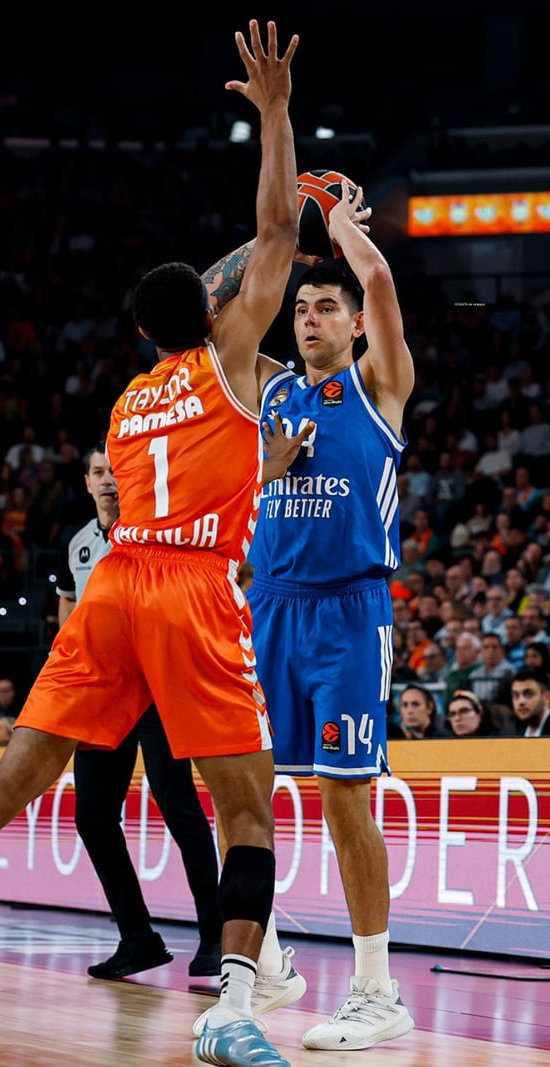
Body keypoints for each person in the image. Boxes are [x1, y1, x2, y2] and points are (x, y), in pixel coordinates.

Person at [0, 22, 309, 1067]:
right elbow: (274, 229)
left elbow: (201, 331)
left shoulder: (130, 401)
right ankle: (231, 1008)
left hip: (115, 580)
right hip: (190, 585)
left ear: (145, 332)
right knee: (246, 811)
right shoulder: (229, 359)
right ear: (212, 313)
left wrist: (252, 440)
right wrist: (276, 115)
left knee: (11, 780)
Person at [238, 150, 417, 1047]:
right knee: (240, 784)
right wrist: (273, 236)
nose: (309, 318)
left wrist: (336, 220)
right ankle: (269, 965)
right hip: (270, 605)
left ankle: (378, 989)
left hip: (348, 611)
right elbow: (208, 312)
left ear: (352, 325)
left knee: (346, 799)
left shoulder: (381, 387)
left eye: (323, 308)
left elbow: (378, 278)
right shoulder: (270, 391)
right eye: (301, 307)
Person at [57, 444, 223, 980]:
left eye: (113, 470)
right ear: (87, 482)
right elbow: (68, 614)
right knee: (92, 816)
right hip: (104, 693)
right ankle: (137, 939)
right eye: (97, 472)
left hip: (156, 686)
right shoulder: (78, 544)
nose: (107, 480)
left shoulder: (151, 531)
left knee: (177, 803)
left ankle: (216, 937)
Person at [509, 667, 550, 736]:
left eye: (529, 694)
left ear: (547, 698)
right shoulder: (518, 733)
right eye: (516, 695)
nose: (521, 702)